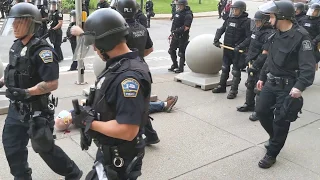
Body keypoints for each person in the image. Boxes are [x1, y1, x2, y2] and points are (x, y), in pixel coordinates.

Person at [0, 2, 83, 179]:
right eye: (13, 22)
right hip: (17, 110)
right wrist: (2, 82)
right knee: (12, 145)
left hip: (37, 111)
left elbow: (52, 83)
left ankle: (73, 173)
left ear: (31, 24)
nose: (14, 26)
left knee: (45, 149)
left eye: (19, 22)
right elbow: (13, 71)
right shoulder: (17, 46)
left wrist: (27, 92)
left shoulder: (43, 51)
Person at [70, 8, 152, 179]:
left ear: (105, 42)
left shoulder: (128, 78)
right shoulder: (119, 65)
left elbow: (127, 129)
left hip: (120, 158)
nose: (94, 48)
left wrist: (87, 122)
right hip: (109, 152)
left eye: (94, 43)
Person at [256, 0, 315, 169]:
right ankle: (275, 138)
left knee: (281, 121)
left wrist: (300, 87)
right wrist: (262, 76)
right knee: (261, 111)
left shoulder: (301, 37)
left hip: (288, 87)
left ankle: (272, 153)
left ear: (281, 17)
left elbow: (308, 67)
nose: (269, 19)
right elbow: (270, 60)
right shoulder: (275, 35)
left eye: (272, 16)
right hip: (271, 82)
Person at [236, 10, 274, 121]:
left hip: (261, 65)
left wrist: (256, 65)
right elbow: (250, 42)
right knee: (250, 84)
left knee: (259, 88)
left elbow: (265, 54)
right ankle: (249, 104)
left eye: (258, 21)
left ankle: (259, 111)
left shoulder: (269, 34)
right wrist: (240, 46)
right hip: (252, 62)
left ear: (265, 21)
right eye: (256, 21)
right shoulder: (257, 30)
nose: (256, 23)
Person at [213, 0, 251, 99]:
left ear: (242, 10)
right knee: (225, 68)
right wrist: (216, 39)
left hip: (237, 51)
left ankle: (234, 90)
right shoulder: (229, 19)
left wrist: (240, 46)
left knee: (236, 71)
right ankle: (222, 86)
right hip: (227, 48)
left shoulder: (247, 22)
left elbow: (249, 37)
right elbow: (221, 29)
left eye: (236, 9)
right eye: (233, 9)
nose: (234, 11)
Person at [168, 0, 193, 73]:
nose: (178, 6)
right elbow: (174, 22)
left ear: (184, 5)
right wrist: (172, 31)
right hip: (175, 35)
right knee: (171, 50)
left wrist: (177, 31)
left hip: (183, 36)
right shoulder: (178, 12)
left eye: (180, 5)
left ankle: (180, 68)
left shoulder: (188, 14)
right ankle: (174, 65)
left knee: (181, 53)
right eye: (178, 5)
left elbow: (186, 27)